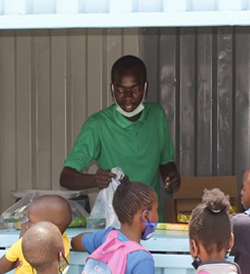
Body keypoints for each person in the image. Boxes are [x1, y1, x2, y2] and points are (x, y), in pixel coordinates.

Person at [59, 55, 181, 215]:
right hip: (115, 223)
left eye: (135, 89)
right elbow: (66, 177)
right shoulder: (97, 124)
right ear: (112, 89)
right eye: (120, 90)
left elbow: (165, 162)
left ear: (145, 88)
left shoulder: (157, 116)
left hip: (150, 221)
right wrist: (95, 180)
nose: (128, 97)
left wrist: (171, 177)